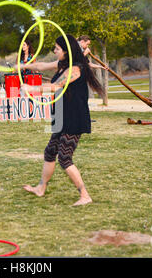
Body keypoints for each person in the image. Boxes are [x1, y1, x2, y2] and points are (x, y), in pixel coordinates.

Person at [19, 34, 106, 206]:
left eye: (57, 49)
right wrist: (21, 65)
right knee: (50, 151)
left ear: (66, 51)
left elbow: (56, 86)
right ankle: (40, 188)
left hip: (75, 117)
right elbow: (41, 65)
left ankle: (85, 195)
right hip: (62, 115)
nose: (54, 51)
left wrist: (31, 88)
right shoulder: (62, 64)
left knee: (64, 157)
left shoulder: (76, 69)